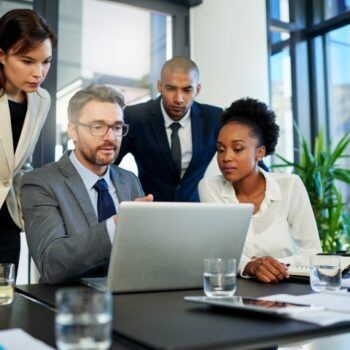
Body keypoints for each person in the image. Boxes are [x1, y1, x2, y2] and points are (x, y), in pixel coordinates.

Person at [21, 85, 153, 284]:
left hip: (130, 301)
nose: (110, 137)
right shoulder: (41, 183)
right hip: (68, 306)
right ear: (73, 130)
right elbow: (51, 263)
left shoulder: (129, 180)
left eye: (117, 127)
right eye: (98, 127)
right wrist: (115, 226)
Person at [198, 98, 321, 283]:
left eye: (237, 149)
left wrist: (271, 266)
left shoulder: (290, 186)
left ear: (260, 153)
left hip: (291, 286)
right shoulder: (210, 188)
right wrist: (250, 266)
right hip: (239, 289)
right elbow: (218, 252)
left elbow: (312, 252)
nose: (226, 158)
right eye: (220, 149)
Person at [115, 56, 223, 202]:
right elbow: (109, 163)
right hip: (149, 210)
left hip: (194, 213)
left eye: (187, 90)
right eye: (171, 88)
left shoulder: (214, 119)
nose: (178, 98)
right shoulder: (135, 117)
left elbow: (246, 159)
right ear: (159, 86)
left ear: (197, 90)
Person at [0, 9, 56, 271]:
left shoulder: (41, 101)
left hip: (7, 220)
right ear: (1, 55)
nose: (39, 72)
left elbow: (21, 164)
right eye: (27, 61)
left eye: (45, 62)